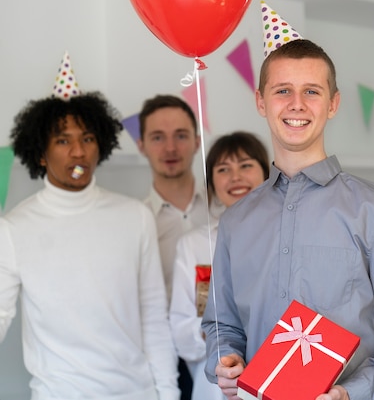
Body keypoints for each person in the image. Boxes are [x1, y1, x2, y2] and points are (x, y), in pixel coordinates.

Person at [201, 37, 374, 400]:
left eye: (311, 91)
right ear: (260, 101)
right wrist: (225, 359)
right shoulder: (236, 221)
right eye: (283, 90)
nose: (296, 104)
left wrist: (353, 391)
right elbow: (222, 324)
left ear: (333, 104)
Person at [0, 91, 179, 400]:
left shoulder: (135, 216)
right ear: (41, 154)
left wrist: (168, 393)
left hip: (137, 393)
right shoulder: (14, 229)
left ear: (101, 145)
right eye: (62, 141)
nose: (78, 152)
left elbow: (153, 317)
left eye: (87, 139)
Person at [169, 131, 270, 400]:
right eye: (223, 169)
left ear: (267, 175)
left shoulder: (289, 238)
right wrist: (224, 332)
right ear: (211, 184)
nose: (236, 177)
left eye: (246, 165)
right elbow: (182, 333)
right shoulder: (193, 245)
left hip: (278, 379)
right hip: (215, 388)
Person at [138, 94, 207, 399]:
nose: (170, 148)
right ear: (141, 145)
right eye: (157, 137)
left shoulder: (227, 214)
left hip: (215, 351)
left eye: (180, 136)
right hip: (156, 356)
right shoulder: (136, 222)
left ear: (196, 141)